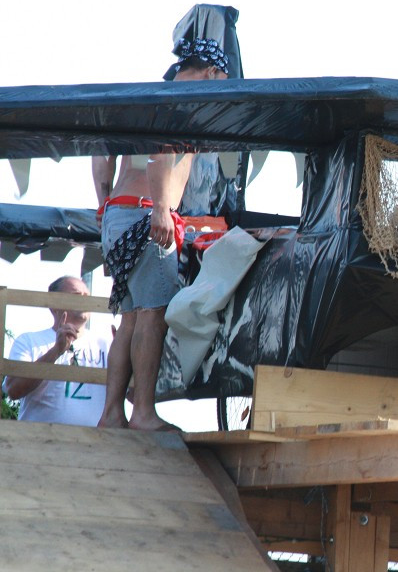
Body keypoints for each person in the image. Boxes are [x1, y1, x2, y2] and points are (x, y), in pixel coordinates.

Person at [93, 30, 231, 431]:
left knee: (133, 317)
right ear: (209, 73)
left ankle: (112, 414)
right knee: (152, 316)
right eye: (222, 79)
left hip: (121, 213)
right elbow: (159, 155)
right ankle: (144, 414)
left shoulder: (149, 98)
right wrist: (159, 209)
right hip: (145, 214)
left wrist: (104, 203)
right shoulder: (178, 104)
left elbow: (102, 154)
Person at [2, 276, 108, 426]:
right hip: (42, 444)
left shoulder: (106, 344)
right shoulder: (29, 341)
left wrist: (129, 357)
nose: (85, 301)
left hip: (95, 444)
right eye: (77, 296)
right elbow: (13, 390)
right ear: (54, 305)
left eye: (88, 297)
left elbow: (132, 396)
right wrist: (56, 351)